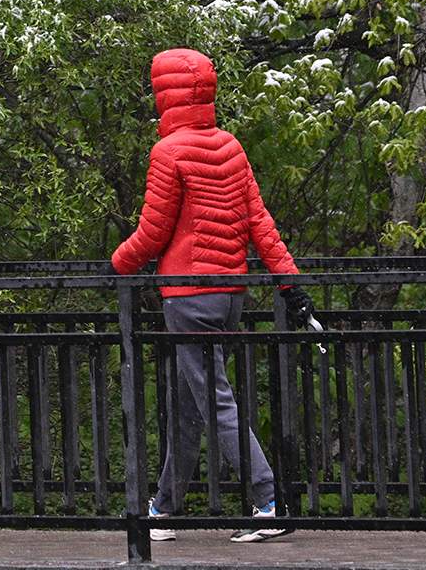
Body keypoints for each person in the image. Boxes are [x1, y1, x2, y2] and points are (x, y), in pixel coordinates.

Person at [108, 48, 315, 544]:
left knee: (213, 398)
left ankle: (268, 501)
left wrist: (116, 265)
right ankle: (164, 508)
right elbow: (259, 222)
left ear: (164, 95)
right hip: (229, 291)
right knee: (190, 401)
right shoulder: (231, 147)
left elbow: (153, 232)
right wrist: (289, 281)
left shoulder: (169, 152)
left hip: (188, 293)